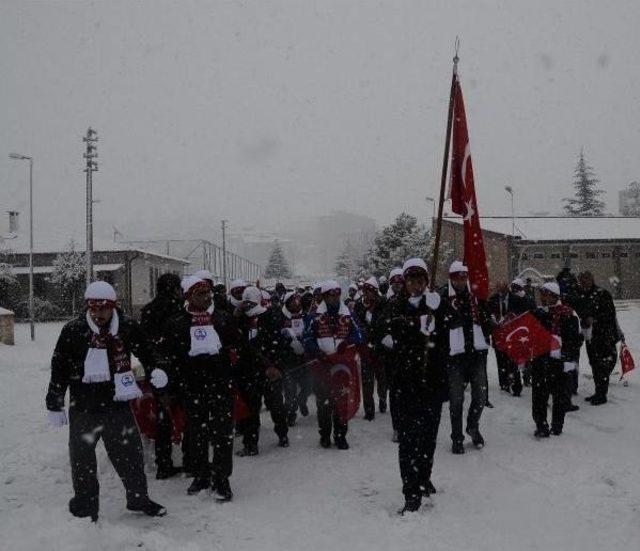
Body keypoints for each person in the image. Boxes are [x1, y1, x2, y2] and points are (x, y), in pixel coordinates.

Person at [46, 281, 168, 521]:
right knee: (82, 460)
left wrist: (157, 369)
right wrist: (54, 399)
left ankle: (138, 499)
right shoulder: (74, 330)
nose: (97, 313)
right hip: (83, 407)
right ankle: (85, 506)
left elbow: (147, 352)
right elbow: (59, 366)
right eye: (92, 307)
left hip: (117, 405)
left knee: (130, 455)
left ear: (113, 306)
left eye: (103, 308)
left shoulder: (127, 327)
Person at [160, 275, 240, 500]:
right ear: (189, 297)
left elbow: (237, 346)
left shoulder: (222, 319)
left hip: (221, 385)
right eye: (200, 294)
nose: (206, 297)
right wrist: (170, 389)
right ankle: (201, 475)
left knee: (223, 435)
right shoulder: (177, 323)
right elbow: (170, 359)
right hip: (192, 387)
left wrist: (232, 355)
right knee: (196, 434)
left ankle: (222, 478)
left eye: (208, 293)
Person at [380, 258, 446, 514]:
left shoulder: (436, 305)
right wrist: (413, 323)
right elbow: (384, 329)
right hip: (405, 384)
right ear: (404, 283)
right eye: (411, 281)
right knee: (408, 441)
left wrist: (438, 313)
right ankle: (410, 491)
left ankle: (424, 476)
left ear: (426, 282)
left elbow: (456, 323)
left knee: (428, 439)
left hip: (432, 383)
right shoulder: (395, 306)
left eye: (420, 281)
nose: (416, 286)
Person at [304, 280, 363, 449]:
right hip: (322, 366)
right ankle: (324, 435)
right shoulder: (314, 316)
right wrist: (318, 352)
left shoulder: (348, 315)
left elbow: (359, 335)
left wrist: (348, 342)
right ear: (324, 297)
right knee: (324, 404)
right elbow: (307, 338)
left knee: (341, 402)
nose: (334, 298)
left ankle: (340, 435)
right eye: (331, 295)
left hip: (342, 368)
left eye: (337, 295)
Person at [441, 261, 492, 454]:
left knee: (481, 396)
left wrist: (491, 323)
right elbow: (439, 325)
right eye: (457, 277)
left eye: (464, 277)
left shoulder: (476, 298)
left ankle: (472, 426)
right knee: (456, 400)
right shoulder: (443, 297)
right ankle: (457, 438)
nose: (461, 281)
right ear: (451, 278)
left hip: (476, 354)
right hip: (455, 357)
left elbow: (486, 321)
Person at [139, 272, 186, 479]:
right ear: (175, 288)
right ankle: (191, 459)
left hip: (158, 370)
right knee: (187, 414)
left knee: (162, 417)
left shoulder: (148, 311)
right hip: (179, 367)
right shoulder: (179, 309)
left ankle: (163, 463)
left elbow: (142, 342)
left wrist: (152, 365)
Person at [234, 286, 289, 455]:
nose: (248, 306)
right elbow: (237, 343)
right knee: (251, 410)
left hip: (269, 371)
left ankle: (283, 435)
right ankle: (251, 444)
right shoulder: (240, 320)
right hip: (249, 373)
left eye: (251, 303)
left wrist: (276, 367)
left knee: (276, 406)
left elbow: (279, 344)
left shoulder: (270, 317)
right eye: (246, 303)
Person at [531, 282, 582, 437]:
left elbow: (576, 339)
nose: (542, 297)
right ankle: (542, 426)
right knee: (539, 396)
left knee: (559, 396)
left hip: (559, 361)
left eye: (545, 294)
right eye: (541, 294)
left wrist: (566, 355)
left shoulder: (568, 314)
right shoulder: (538, 313)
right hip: (541, 360)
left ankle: (557, 426)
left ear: (554, 296)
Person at [576, 271, 623, 405]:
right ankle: (598, 391)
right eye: (582, 280)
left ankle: (602, 395)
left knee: (602, 365)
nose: (584, 282)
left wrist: (595, 320)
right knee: (594, 364)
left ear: (592, 279)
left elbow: (610, 314)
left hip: (604, 336)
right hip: (590, 337)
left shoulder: (602, 294)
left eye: (586, 279)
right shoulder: (581, 295)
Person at [353, 277, 388, 420]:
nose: (366, 295)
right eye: (364, 292)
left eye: (369, 292)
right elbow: (355, 322)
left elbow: (385, 323)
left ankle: (383, 398)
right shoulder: (358, 305)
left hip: (380, 348)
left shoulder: (383, 304)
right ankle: (369, 411)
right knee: (367, 381)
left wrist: (375, 332)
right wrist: (362, 331)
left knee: (382, 379)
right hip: (365, 349)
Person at [278, 291, 312, 424]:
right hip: (288, 361)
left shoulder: (305, 316)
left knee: (308, 386)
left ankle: (301, 402)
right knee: (290, 390)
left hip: (305, 359)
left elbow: (310, 332)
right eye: (294, 301)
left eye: (298, 301)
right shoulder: (281, 318)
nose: (297, 304)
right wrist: (289, 343)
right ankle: (290, 413)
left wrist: (305, 342)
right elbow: (276, 337)